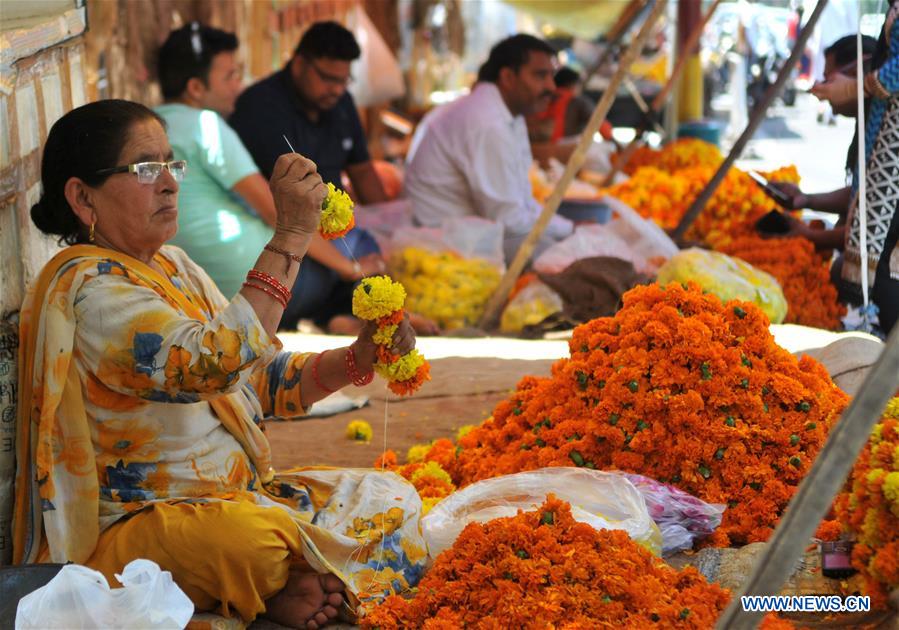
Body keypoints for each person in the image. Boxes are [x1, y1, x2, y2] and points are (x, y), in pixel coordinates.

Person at [14, 100, 427, 628]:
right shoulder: (89, 289)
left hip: (237, 498)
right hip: (145, 526)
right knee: (247, 543)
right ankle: (281, 579)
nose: (168, 184)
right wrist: (291, 237)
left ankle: (283, 583)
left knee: (388, 496)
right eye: (146, 169)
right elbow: (210, 367)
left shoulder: (174, 266)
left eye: (172, 165)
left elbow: (256, 378)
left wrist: (355, 360)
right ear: (82, 197)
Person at [156, 23, 394, 335]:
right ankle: (348, 314)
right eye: (230, 76)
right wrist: (351, 268)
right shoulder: (208, 127)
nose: (238, 88)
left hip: (203, 290)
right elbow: (276, 213)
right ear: (196, 89)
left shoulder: (151, 124)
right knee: (359, 243)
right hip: (253, 293)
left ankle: (339, 315)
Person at [404, 34, 575, 264]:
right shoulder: (487, 122)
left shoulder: (507, 115)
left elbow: (521, 200)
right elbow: (509, 219)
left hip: (475, 232)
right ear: (507, 77)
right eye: (540, 75)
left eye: (551, 76)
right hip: (448, 246)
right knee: (568, 263)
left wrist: (568, 228)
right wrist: (570, 231)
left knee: (570, 252)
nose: (551, 87)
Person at [806, 2, 899, 334]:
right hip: (886, 143)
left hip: (893, 150)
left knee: (883, 260)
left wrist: (852, 86)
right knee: (872, 259)